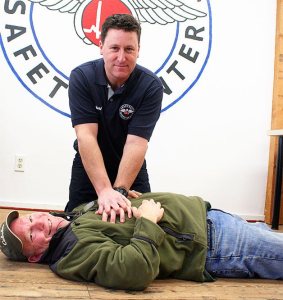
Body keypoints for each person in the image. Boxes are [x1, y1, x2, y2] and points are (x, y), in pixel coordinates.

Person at [1, 192, 283, 291]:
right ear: (35, 256)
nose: (36, 222)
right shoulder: (71, 252)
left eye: (27, 220)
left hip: (209, 219)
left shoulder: (73, 219)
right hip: (216, 244)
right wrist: (147, 221)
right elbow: (133, 270)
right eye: (30, 234)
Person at [66, 13, 163, 221]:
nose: (121, 57)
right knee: (75, 223)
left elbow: (137, 143)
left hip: (130, 165)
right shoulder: (81, 78)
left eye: (129, 49)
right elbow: (86, 137)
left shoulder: (150, 86)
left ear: (138, 50)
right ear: (101, 46)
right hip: (88, 164)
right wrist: (103, 191)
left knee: (140, 221)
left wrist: (118, 192)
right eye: (114, 48)